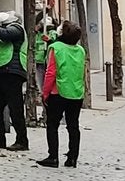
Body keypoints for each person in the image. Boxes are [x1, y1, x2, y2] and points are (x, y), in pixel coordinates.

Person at [35, 20, 89, 168]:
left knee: (52, 124)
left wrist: (45, 93)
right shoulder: (80, 50)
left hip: (57, 92)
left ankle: (53, 157)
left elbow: (50, 72)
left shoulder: (55, 48)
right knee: (73, 125)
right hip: (76, 92)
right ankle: (72, 158)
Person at [0, 11, 31, 150]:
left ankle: (22, 141)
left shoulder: (16, 29)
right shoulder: (3, 29)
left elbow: (5, 35)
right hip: (1, 72)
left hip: (12, 73)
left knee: (15, 109)